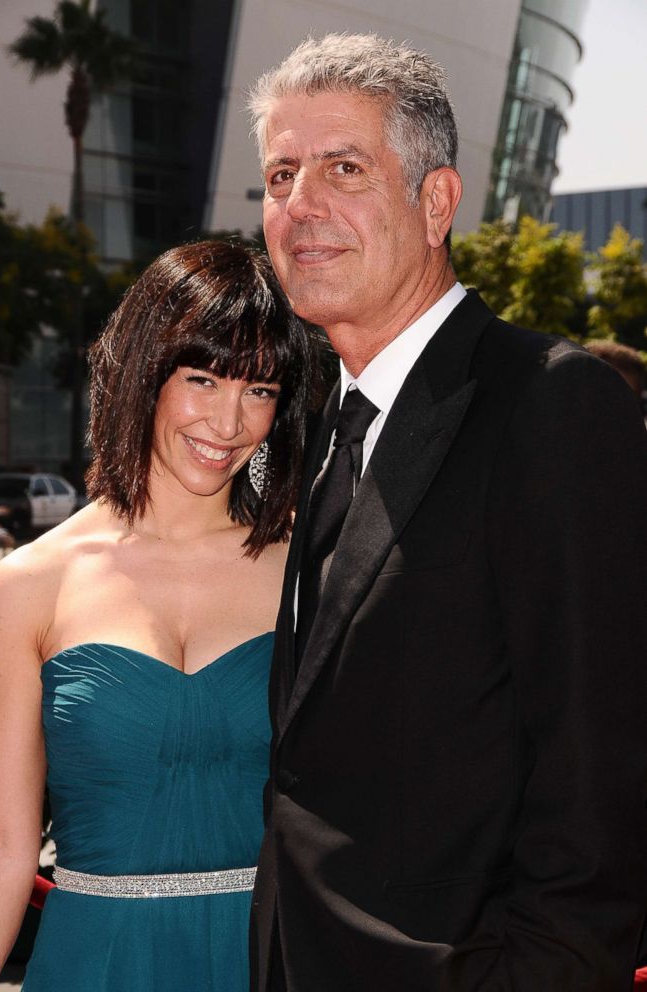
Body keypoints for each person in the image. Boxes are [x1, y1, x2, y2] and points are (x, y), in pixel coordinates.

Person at [247, 33, 647, 991]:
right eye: (279, 175)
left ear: (436, 203)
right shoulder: (317, 424)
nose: (300, 206)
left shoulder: (550, 402)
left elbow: (603, 773)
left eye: (344, 168)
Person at [0, 241, 313, 991]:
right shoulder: (29, 585)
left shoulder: (307, 571)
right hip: (93, 962)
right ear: (144, 375)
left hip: (270, 962)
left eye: (259, 390)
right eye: (202, 379)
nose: (229, 422)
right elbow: (5, 847)